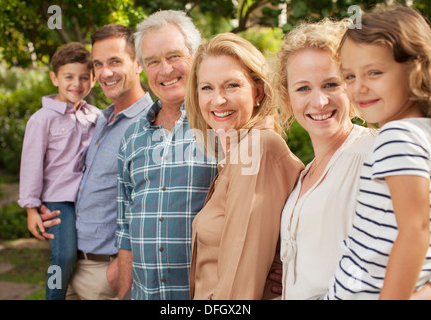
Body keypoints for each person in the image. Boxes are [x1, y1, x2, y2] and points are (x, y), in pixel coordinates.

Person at [185, 33, 304, 300]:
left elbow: (239, 279)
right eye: (207, 88)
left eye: (231, 86)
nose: (217, 100)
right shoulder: (236, 156)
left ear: (258, 92)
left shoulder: (257, 149)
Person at [39, 24, 153, 300]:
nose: (105, 73)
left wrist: (119, 271)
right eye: (98, 64)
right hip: (70, 265)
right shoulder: (99, 119)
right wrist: (49, 206)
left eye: (115, 61)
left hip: (105, 274)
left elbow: (152, 207)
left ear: (138, 63)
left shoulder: (151, 123)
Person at [325, 5, 431, 300]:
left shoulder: (397, 136)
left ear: (415, 67)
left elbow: (415, 231)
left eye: (374, 72)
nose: (360, 87)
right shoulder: (422, 132)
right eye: (349, 77)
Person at [269, 19, 377, 300]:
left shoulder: (374, 154)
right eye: (303, 88)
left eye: (331, 84)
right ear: (287, 94)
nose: (319, 102)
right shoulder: (305, 173)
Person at [115, 10, 217, 300]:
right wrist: (124, 291)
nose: (165, 70)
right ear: (142, 67)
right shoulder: (131, 136)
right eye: (153, 62)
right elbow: (124, 225)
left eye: (174, 56)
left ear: (196, 56)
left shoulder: (220, 123)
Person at [18, 42, 99, 300]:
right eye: (69, 77)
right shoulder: (41, 119)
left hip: (87, 198)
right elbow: (31, 166)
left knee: (84, 257)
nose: (77, 83)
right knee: (62, 256)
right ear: (54, 78)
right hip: (58, 199)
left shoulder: (96, 116)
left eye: (84, 77)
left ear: (93, 80)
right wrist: (32, 209)